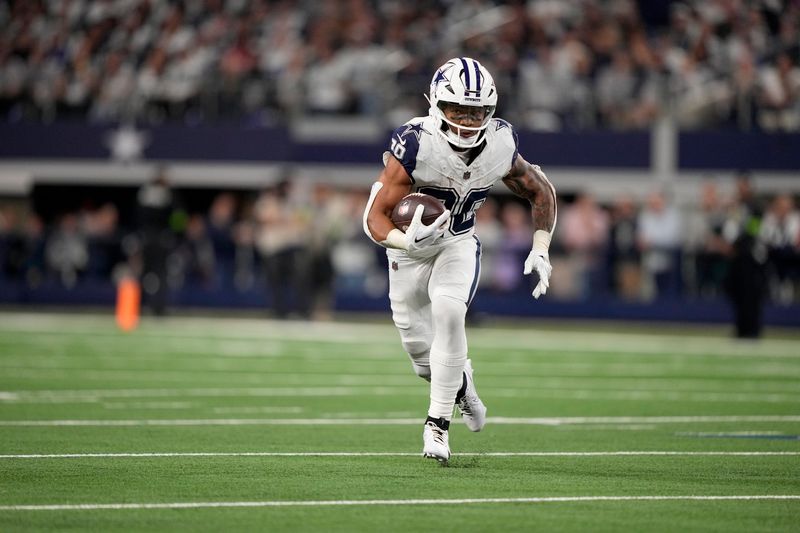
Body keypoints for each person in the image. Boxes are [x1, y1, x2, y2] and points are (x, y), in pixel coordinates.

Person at [362, 57, 557, 463]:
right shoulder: (417, 142)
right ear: (437, 105)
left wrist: (541, 247)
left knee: (450, 314)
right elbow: (372, 217)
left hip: (458, 244)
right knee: (420, 356)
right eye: (458, 109)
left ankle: (437, 425)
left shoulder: (501, 143)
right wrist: (404, 240)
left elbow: (540, 191)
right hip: (409, 251)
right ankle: (463, 387)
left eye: (477, 111)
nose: (468, 120)